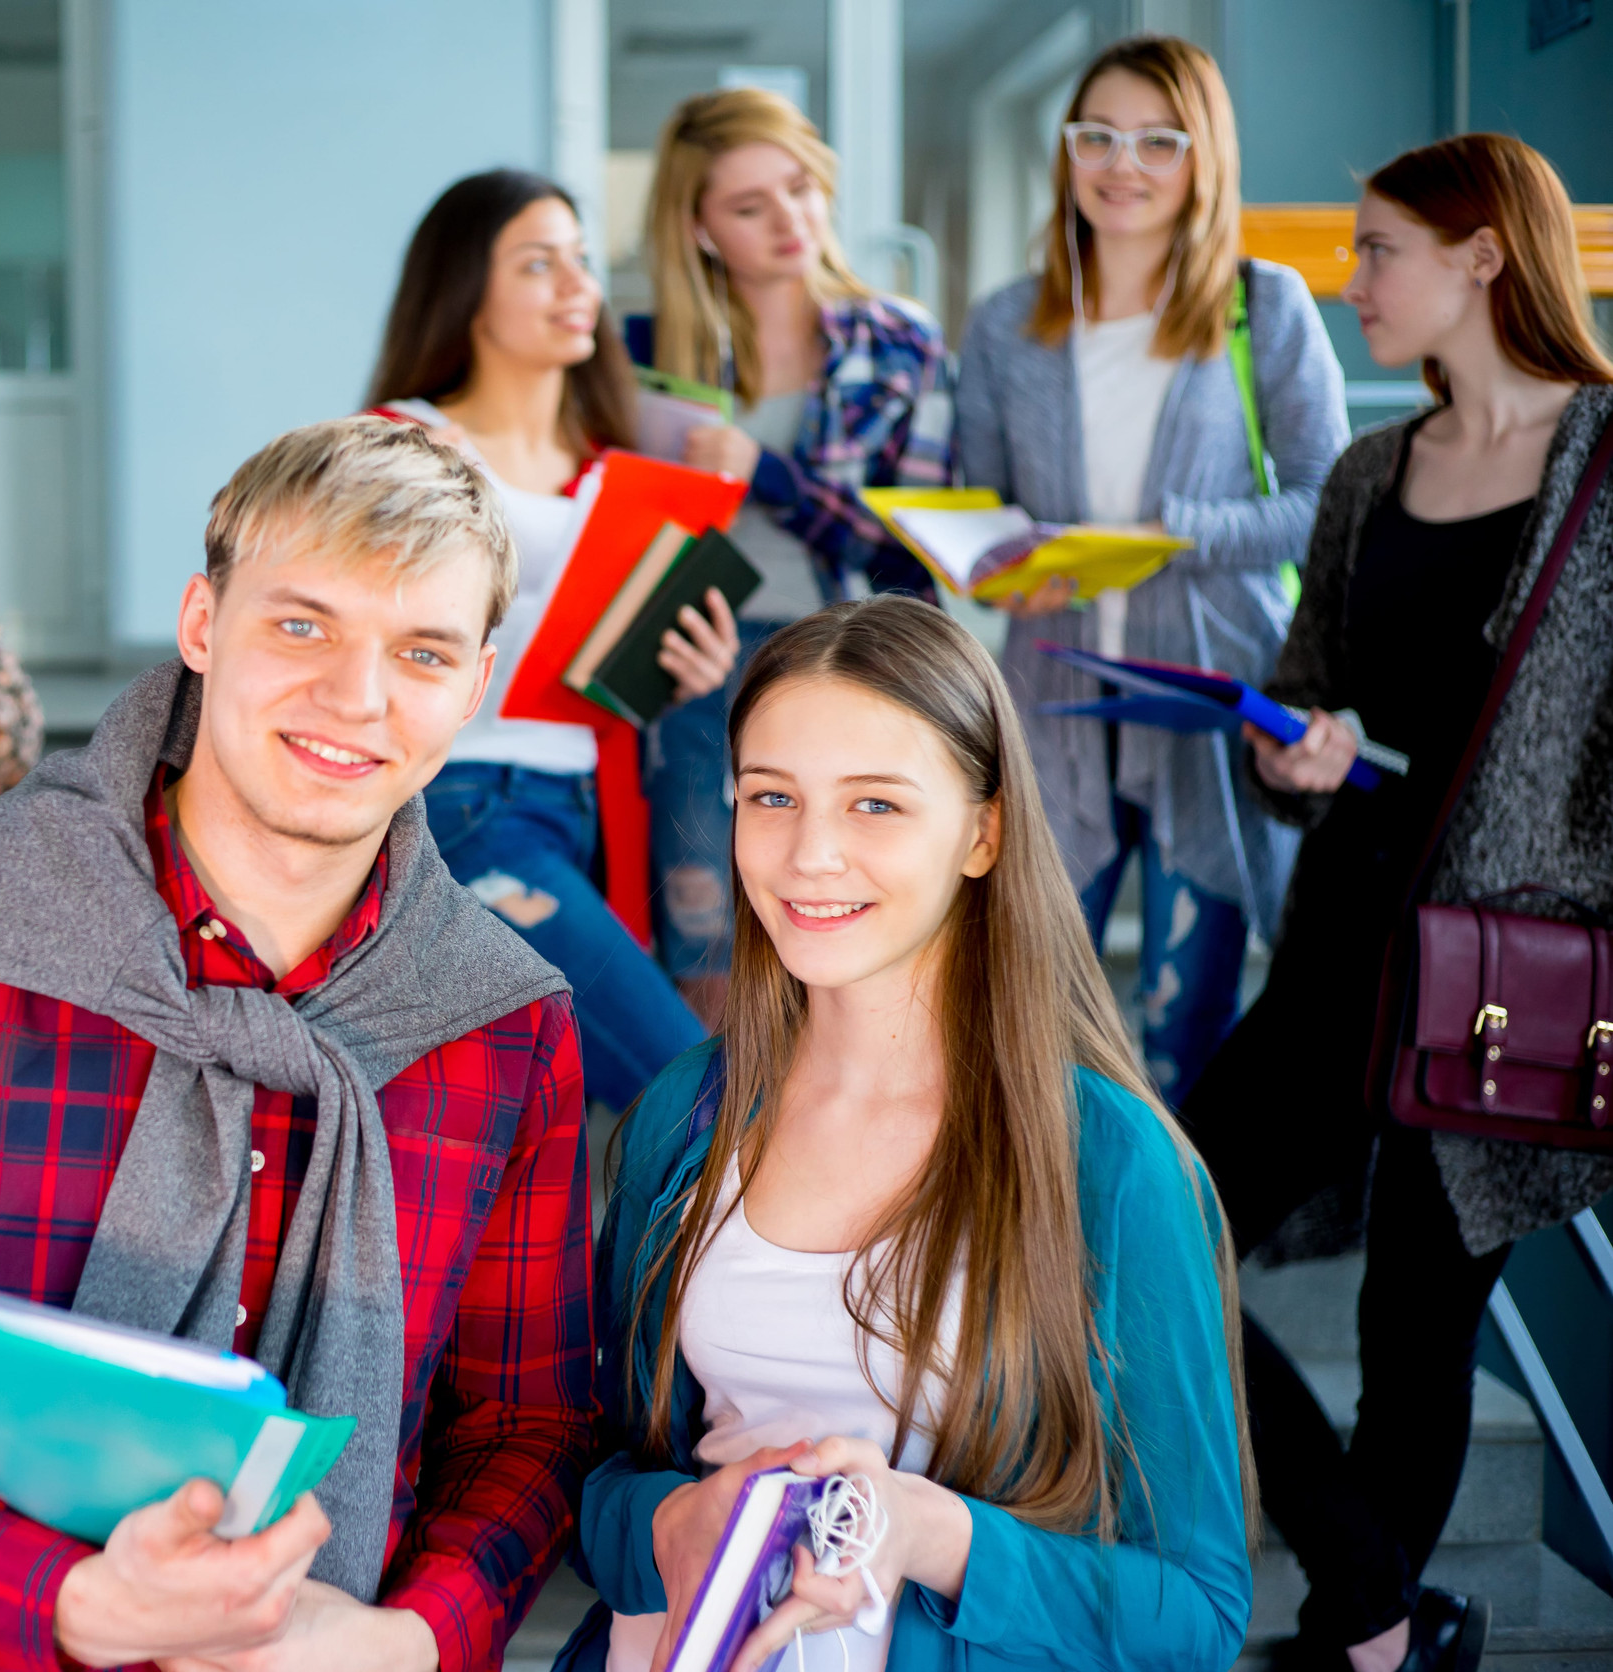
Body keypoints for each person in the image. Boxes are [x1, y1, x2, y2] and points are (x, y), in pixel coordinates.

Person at [0, 418, 597, 1672]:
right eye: (303, 625)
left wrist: (410, 1640)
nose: (357, 698)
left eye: (421, 651)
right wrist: (62, 1600)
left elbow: (528, 1421)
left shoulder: (505, 1025)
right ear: (203, 624)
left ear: (476, 684)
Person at [561, 596, 1250, 1672]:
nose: (810, 855)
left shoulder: (1110, 1162)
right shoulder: (681, 1118)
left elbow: (1199, 1614)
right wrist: (666, 1525)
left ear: (984, 832)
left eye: (875, 804)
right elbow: (597, 1485)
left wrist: (935, 1535)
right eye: (770, 797)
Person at [1181, 133, 1613, 1672]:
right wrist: (1293, 755)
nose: (1344, 280)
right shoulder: (1371, 473)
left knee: (1416, 1338)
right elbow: (1309, 701)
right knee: (1146, 1225)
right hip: (1347, 945)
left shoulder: (1609, 466)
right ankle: (1379, 1618)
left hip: (1512, 976)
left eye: (1376, 250)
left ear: (1484, 254)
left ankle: (1353, 1640)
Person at [955, 35, 1348, 1103]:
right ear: (1067, 150)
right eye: (1097, 135)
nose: (1122, 164)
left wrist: (1175, 538)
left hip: (1210, 715)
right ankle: (1052, 1268)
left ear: (1202, 156)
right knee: (1032, 1043)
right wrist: (1001, 566)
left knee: (1191, 1043)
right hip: (1050, 709)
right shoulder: (1005, 322)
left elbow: (1327, 504)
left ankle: (1181, 1268)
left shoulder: (1262, 306)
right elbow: (977, 508)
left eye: (1157, 140)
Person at [365, 168, 740, 1112]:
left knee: (537, 1125)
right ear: (465, 294)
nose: (580, 286)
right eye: (540, 265)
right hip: (463, 804)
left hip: (591, 813)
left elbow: (610, 682)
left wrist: (693, 670)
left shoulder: (617, 472)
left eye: (581, 260)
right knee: (690, 1087)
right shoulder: (404, 447)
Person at [623, 87, 956, 1025]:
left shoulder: (898, 342)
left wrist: (765, 473)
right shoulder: (646, 352)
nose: (789, 221)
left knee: (853, 926)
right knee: (705, 943)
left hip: (847, 656)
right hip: (693, 664)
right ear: (696, 227)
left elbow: (907, 542)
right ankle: (720, 1157)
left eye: (801, 189)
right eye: (749, 206)